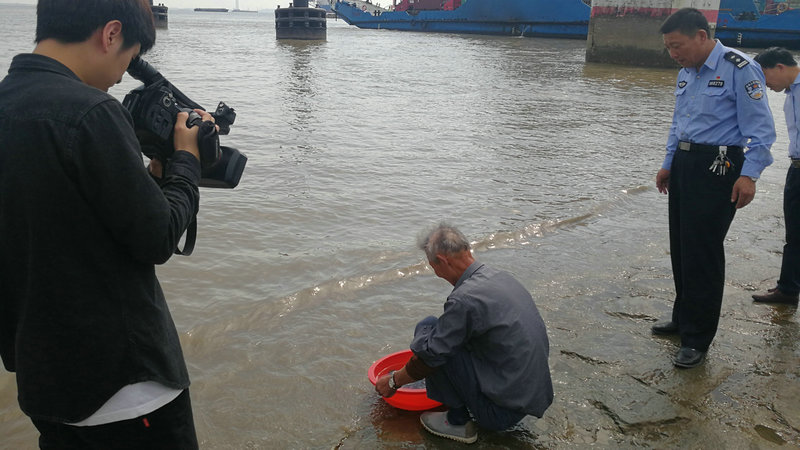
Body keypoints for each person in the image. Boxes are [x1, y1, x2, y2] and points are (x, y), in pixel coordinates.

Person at [0, 1, 213, 447]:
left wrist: (153, 176)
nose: (120, 76)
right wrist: (187, 159)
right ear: (111, 34)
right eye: (126, 58)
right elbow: (157, 238)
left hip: (47, 387)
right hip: (128, 390)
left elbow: (62, 219)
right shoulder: (92, 112)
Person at [652, 8, 776, 368]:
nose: (674, 54)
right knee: (681, 245)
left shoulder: (740, 68)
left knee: (703, 252)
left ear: (701, 37)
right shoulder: (685, 73)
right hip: (687, 164)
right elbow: (679, 124)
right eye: (669, 48)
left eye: (677, 46)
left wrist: (749, 175)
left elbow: (762, 130)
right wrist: (668, 164)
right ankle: (683, 317)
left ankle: (698, 338)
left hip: (720, 166)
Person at [375, 223, 553, 444]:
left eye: (433, 267)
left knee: (429, 333)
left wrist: (393, 381)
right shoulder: (500, 277)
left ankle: (458, 421)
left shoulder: (465, 299)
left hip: (498, 414)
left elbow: (431, 356)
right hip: (529, 398)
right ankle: (464, 404)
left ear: (443, 260)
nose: (436, 274)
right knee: (444, 334)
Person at [751, 48, 800, 306]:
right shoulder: (791, 93)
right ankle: (788, 289)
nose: (765, 85)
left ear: (779, 67)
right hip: (796, 168)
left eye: (765, 77)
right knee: (794, 233)